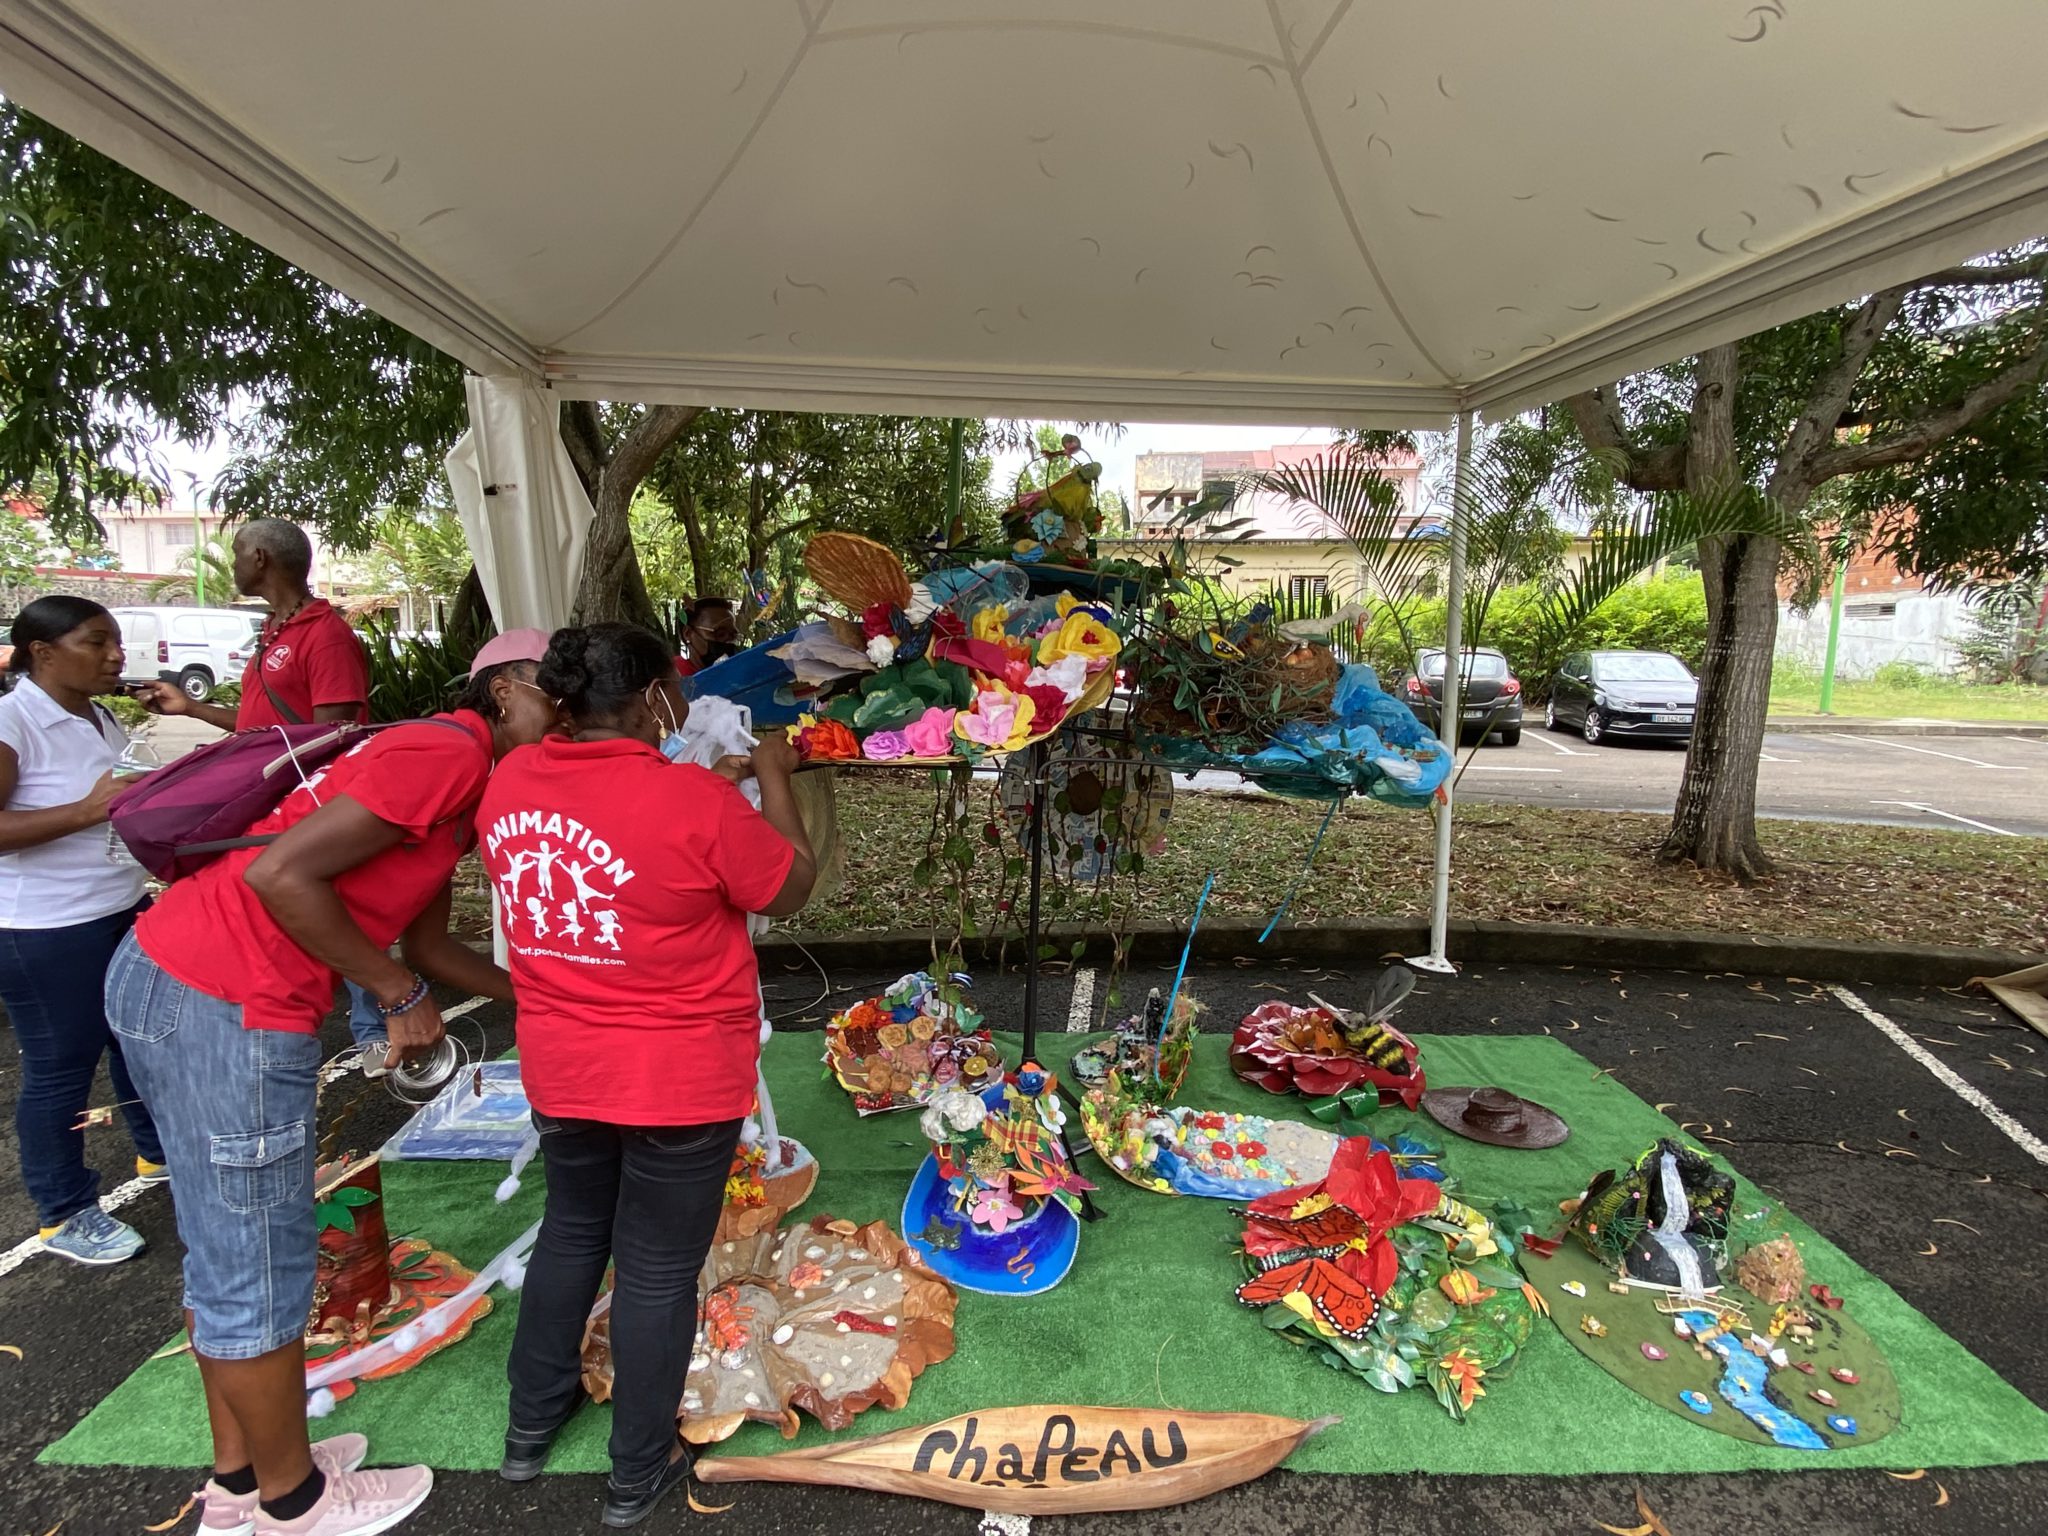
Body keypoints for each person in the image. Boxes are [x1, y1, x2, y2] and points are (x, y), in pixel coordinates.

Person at [104, 628, 558, 1536]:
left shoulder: (460, 783)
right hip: (225, 999)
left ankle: (240, 1480)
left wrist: (557, 997)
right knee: (260, 1261)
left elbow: (429, 944)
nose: (570, 727)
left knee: (228, 1247)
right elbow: (281, 875)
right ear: (507, 689)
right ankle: (294, 1503)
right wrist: (396, 995)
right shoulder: (444, 753)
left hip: (187, 980)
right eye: (562, 702)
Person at [478, 623, 814, 1527]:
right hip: (678, 1076)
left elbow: (617, 844)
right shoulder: (692, 800)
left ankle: (528, 1427)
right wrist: (774, 774)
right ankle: (637, 1469)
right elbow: (789, 886)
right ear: (655, 698)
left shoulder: (510, 781)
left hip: (563, 1065)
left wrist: (716, 792)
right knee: (658, 1270)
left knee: (572, 1233)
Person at [132, 518, 392, 1069]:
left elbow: (332, 733)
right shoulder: (275, 631)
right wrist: (192, 708)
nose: (232, 563)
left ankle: (376, 1027)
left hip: (307, 802)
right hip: (269, 801)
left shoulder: (324, 634)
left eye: (236, 552)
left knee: (339, 902)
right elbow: (264, 729)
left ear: (260, 559)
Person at [0, 596, 166, 1265]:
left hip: (118, 906)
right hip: (45, 927)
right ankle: (64, 1211)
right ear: (43, 653)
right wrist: (85, 811)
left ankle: (157, 1153)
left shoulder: (97, 715)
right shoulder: (13, 721)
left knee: (138, 1042)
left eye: (116, 642)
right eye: (96, 643)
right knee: (60, 1068)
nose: (115, 655)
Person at [673, 595, 738, 677]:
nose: (728, 642)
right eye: (720, 634)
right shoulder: (675, 679)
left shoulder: (739, 674)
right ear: (688, 633)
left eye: (733, 636)